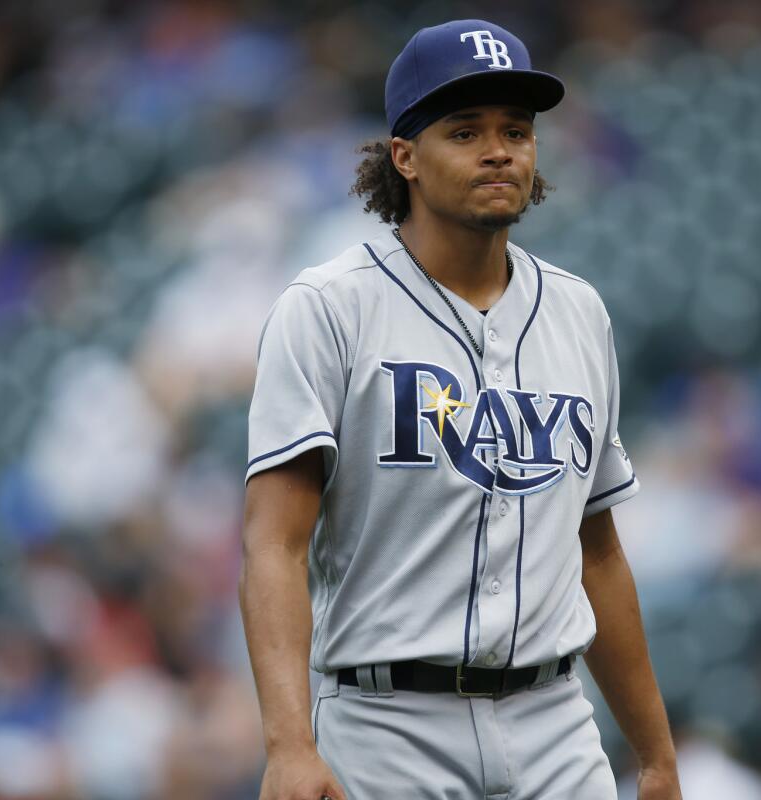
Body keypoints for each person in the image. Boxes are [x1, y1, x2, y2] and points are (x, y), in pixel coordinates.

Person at [241, 19, 681, 800]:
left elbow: (600, 551)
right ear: (404, 156)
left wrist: (655, 755)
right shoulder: (328, 310)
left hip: (554, 720)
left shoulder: (580, 313)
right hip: (387, 726)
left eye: (517, 129)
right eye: (465, 130)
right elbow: (273, 545)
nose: (499, 149)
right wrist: (288, 744)